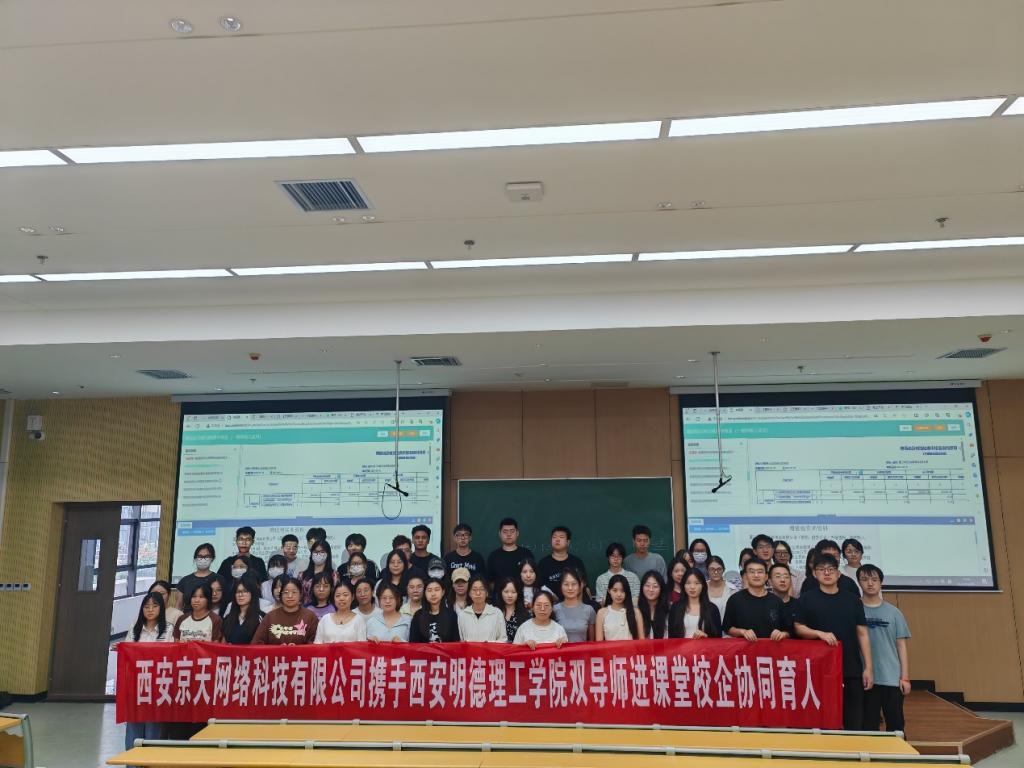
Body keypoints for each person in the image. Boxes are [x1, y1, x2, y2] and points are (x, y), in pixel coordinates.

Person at [794, 553, 873, 730]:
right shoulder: (806, 599)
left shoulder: (852, 600)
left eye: (831, 569)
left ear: (838, 574)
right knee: (822, 717)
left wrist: (868, 668)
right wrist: (818, 634)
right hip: (818, 669)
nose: (827, 573)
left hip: (850, 667)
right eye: (821, 569)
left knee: (853, 718)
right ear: (814, 574)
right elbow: (798, 627)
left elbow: (862, 634)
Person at [858, 564, 911, 732]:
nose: (870, 583)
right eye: (865, 579)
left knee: (896, 725)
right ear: (859, 582)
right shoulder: (854, 610)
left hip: (891, 677)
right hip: (866, 678)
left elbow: (901, 645)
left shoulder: (894, 613)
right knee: (869, 725)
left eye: (874, 579)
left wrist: (905, 677)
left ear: (881, 582)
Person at [122, 592, 172, 752]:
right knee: (133, 728)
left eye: (154, 606)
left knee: (153, 728)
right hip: (135, 684)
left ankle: (149, 761)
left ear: (161, 608)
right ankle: (131, 761)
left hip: (157, 685)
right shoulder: (135, 627)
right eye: (146, 606)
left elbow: (170, 655)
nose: (150, 610)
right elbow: (127, 652)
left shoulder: (168, 629)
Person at [723, 558, 789, 642]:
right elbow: (727, 628)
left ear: (766, 576)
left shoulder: (777, 601)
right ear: (746, 576)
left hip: (771, 649)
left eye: (760, 572)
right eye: (752, 572)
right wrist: (742, 632)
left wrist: (782, 634)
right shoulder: (735, 600)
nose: (756, 575)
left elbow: (788, 631)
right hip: (743, 649)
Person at [252, 577, 319, 645]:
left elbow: (316, 643)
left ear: (301, 594)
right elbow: (257, 643)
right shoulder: (270, 617)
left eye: (294, 592)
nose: (290, 596)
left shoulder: (310, 616)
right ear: (281, 595)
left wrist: (298, 649)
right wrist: (277, 649)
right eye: (286, 592)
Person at [668, 568, 722, 639]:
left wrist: (706, 637)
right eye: (688, 583)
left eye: (697, 583)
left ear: (703, 585)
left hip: (705, 646)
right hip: (681, 646)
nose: (692, 587)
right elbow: (671, 638)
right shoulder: (675, 608)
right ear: (683, 585)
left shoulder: (712, 609)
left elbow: (718, 638)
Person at [536, 526, 587, 600]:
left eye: (561, 537)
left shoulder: (576, 562)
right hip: (551, 604)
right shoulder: (543, 563)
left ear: (568, 542)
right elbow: (540, 587)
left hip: (574, 602)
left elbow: (584, 587)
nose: (557, 539)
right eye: (554, 537)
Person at [410, 577, 460, 642]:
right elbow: (413, 643)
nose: (433, 594)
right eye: (429, 590)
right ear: (425, 593)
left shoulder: (451, 615)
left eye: (437, 590)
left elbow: (455, 642)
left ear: (443, 592)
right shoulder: (418, 615)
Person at [486, 517, 533, 585]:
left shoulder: (526, 554)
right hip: (499, 592)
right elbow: (490, 582)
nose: (508, 534)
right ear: (499, 534)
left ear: (517, 533)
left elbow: (533, 578)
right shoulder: (493, 556)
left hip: (522, 592)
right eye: (505, 531)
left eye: (512, 531)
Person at [552, 568, 596, 642]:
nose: (570, 588)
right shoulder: (554, 609)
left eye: (574, 584)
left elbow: (592, 641)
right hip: (561, 650)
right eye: (566, 584)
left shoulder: (589, 610)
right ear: (561, 587)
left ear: (579, 586)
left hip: (583, 649)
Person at [458, 576, 506, 642]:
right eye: (474, 589)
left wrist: (489, 644)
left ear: (487, 593)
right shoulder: (463, 615)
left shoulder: (496, 613)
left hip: (490, 649)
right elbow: (461, 640)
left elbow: (503, 640)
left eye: (482, 589)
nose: (478, 593)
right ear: (469, 593)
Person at [596, 575, 643, 641]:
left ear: (626, 592)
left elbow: (642, 641)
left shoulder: (636, 612)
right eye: (615, 590)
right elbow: (599, 643)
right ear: (609, 591)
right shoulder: (602, 613)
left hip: (631, 648)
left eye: (622, 591)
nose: (619, 594)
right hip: (610, 648)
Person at [221, 577, 264, 645]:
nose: (240, 595)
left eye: (245, 591)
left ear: (252, 593)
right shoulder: (228, 618)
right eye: (238, 592)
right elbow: (223, 643)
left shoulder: (261, 617)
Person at [175, 543, 217, 611]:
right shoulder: (185, 580)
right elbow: (178, 606)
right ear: (195, 558)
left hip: (210, 616)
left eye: (207, 556)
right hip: (187, 617)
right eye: (200, 556)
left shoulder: (218, 579)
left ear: (212, 558)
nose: (203, 559)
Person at [494, 577, 530, 643]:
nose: (510, 595)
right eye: (506, 592)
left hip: (517, 649)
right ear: (501, 592)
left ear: (518, 593)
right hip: (497, 648)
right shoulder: (494, 612)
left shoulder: (525, 615)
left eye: (513, 592)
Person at [300, 539, 335, 604]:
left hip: (327, 609)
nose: (318, 554)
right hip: (305, 609)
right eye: (315, 552)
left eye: (322, 552)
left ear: (327, 554)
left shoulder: (334, 575)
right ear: (311, 554)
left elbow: (335, 595)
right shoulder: (302, 575)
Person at [638, 571, 669, 639]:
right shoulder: (637, 611)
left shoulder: (669, 610)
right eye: (647, 585)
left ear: (661, 589)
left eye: (655, 586)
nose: (651, 589)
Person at [768, 563, 797, 634]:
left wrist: (786, 634)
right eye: (778, 576)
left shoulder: (799, 604)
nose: (782, 580)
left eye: (786, 577)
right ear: (770, 582)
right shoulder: (764, 604)